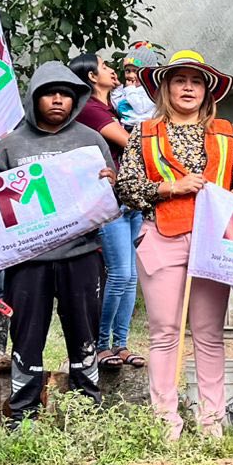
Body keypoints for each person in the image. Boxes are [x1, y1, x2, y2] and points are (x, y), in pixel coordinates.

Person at [116, 50, 233, 439]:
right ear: (165, 88)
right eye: (179, 80)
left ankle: (212, 421)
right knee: (164, 331)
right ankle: (165, 421)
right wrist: (170, 187)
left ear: (207, 91)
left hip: (214, 242)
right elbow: (126, 186)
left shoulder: (226, 131)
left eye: (196, 81)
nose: (188, 87)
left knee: (209, 333)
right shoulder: (145, 132)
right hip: (162, 237)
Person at [0, 63, 116, 424]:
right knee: (26, 335)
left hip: (81, 255)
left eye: (66, 94)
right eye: (49, 93)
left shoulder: (92, 140)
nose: (58, 100)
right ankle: (22, 414)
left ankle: (87, 413)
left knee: (84, 333)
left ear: (76, 99)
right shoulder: (11, 145)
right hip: (27, 261)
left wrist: (111, 184)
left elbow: (111, 198)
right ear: (33, 98)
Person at [68, 51, 146, 370]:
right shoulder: (90, 109)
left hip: (129, 197)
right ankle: (101, 345)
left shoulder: (115, 106)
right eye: (104, 66)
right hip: (108, 199)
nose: (113, 70)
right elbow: (129, 143)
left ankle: (121, 343)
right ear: (91, 76)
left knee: (130, 276)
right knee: (119, 273)